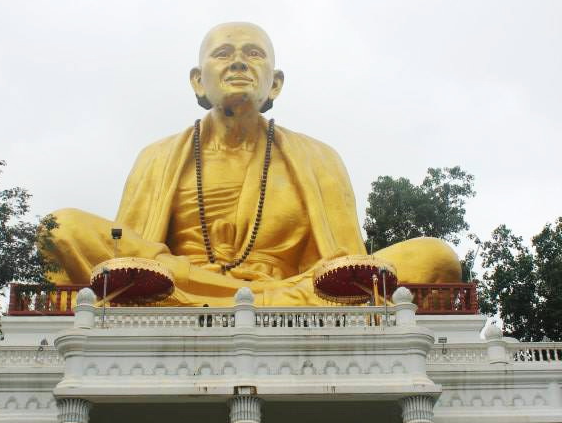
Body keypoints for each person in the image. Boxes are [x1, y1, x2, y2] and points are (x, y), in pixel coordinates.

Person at [47, 22, 460, 306]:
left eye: (253, 54)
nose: (239, 63)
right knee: (61, 226)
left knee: (435, 257)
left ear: (275, 83)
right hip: (177, 280)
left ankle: (229, 300)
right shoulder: (157, 157)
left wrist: (283, 290)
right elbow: (125, 247)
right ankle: (227, 297)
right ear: (197, 79)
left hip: (289, 291)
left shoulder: (319, 157)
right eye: (223, 53)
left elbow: (345, 263)